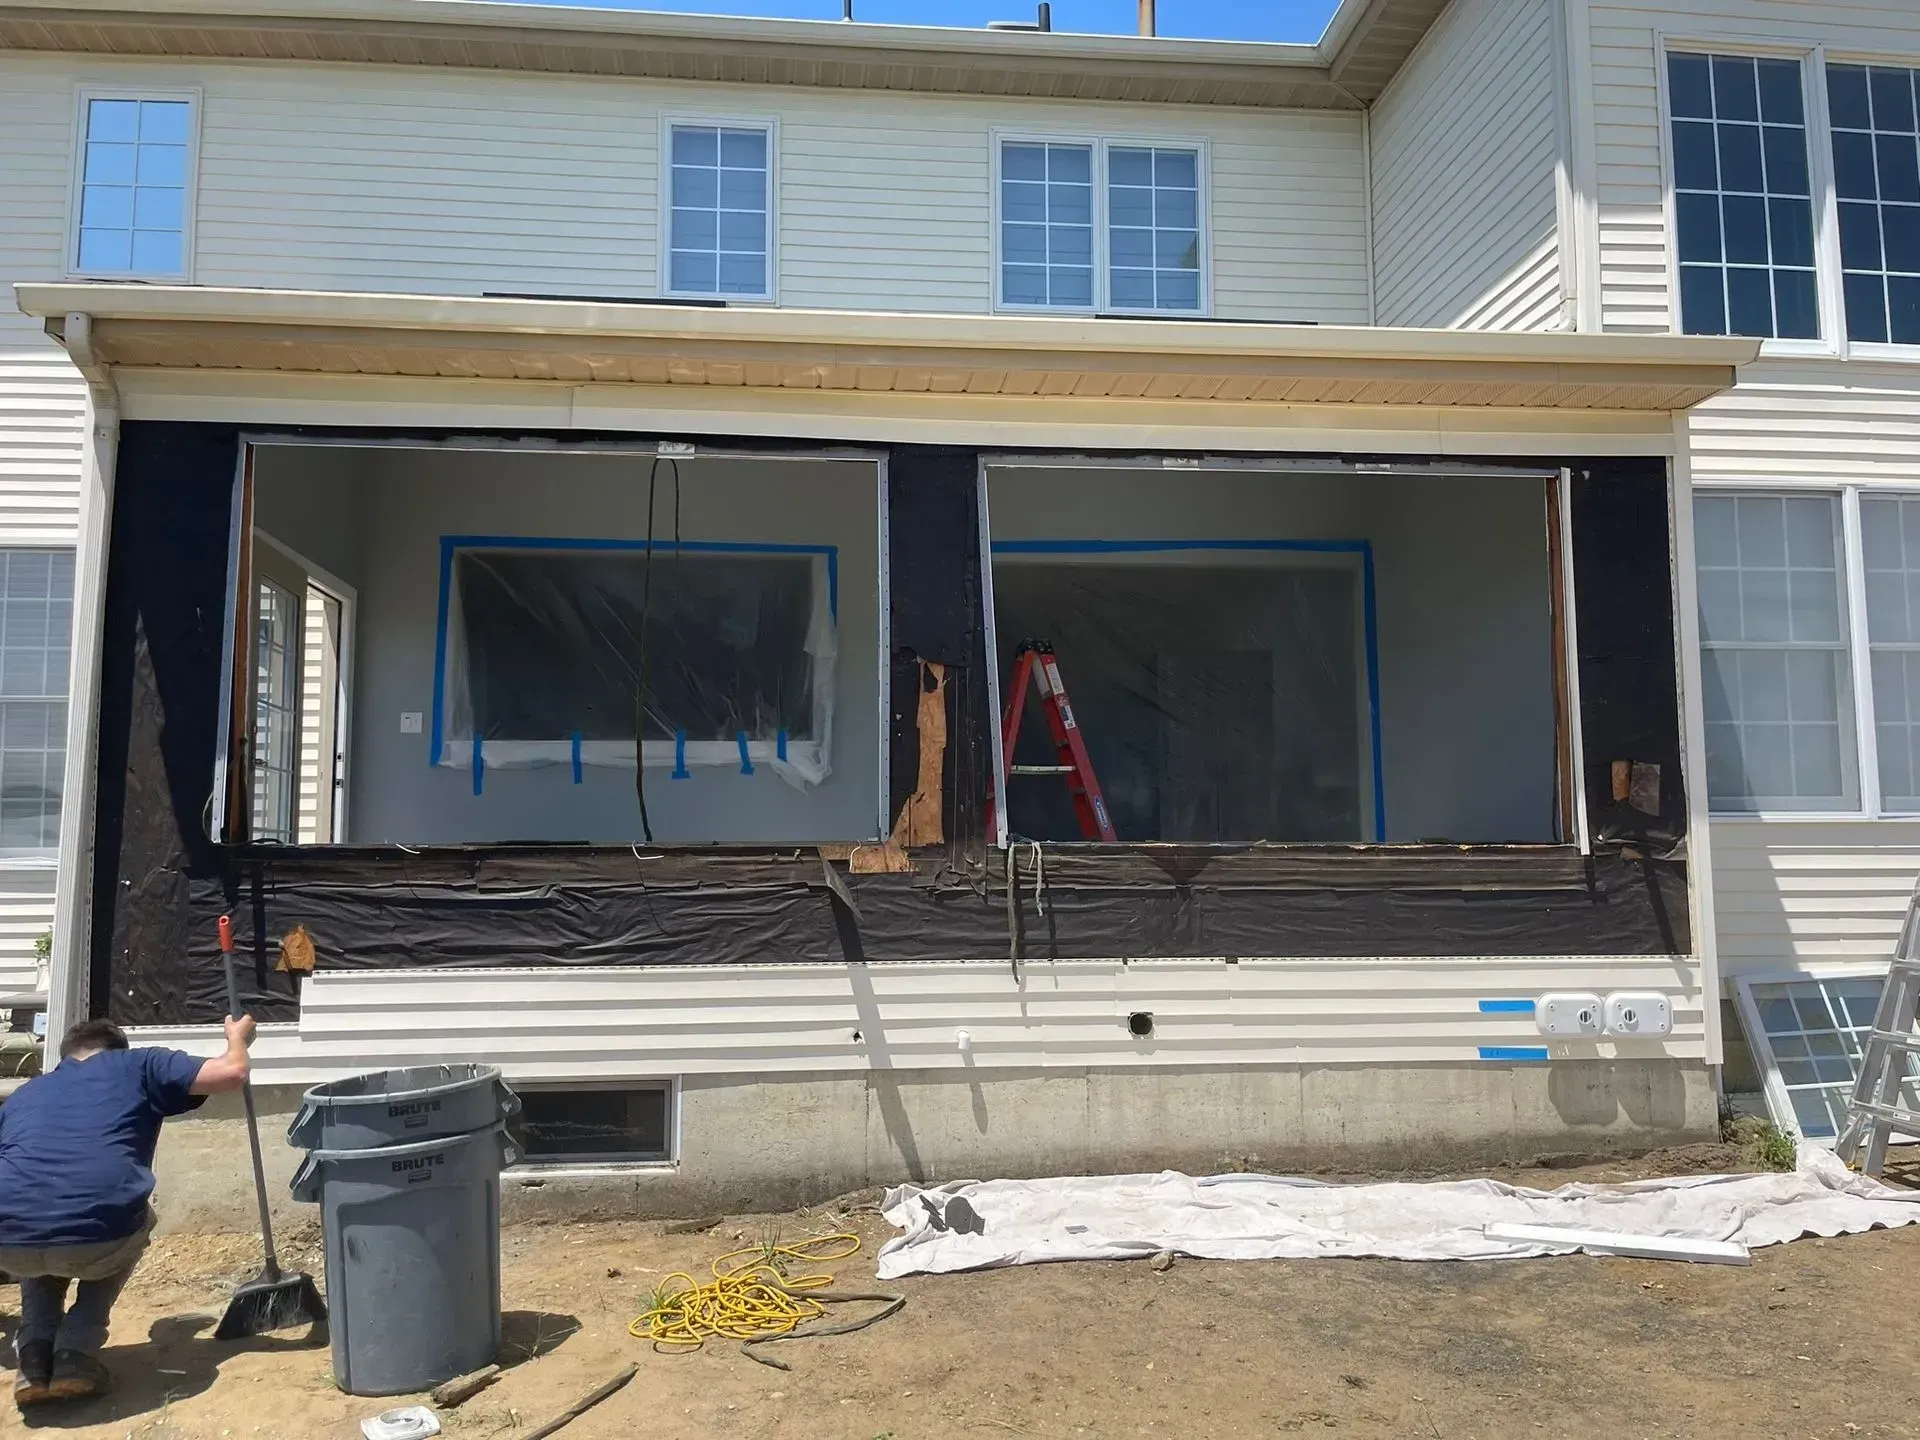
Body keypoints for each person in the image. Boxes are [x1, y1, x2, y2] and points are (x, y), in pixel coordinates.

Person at [0, 1014, 254, 1408]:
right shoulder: (140, 1064)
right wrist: (237, 1037)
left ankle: (34, 1357)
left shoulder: (27, 1093)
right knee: (126, 1217)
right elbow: (232, 1073)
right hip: (98, 1235)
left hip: (9, 1241)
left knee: (38, 1219)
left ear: (68, 1056)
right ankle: (76, 1352)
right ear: (117, 1048)